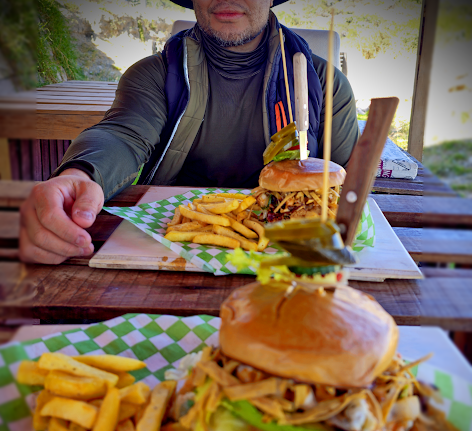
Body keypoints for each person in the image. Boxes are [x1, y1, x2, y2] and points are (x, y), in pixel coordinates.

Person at [20, 0, 359, 264]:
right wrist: (80, 174)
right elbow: (122, 134)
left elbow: (349, 189)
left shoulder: (326, 84)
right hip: (169, 248)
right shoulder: (155, 74)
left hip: (290, 256)